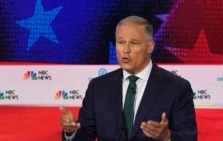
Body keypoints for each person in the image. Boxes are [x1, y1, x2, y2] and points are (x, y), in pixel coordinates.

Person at [60, 15, 197, 141]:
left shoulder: (176, 88)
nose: (125, 50)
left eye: (134, 43)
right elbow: (85, 136)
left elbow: (189, 137)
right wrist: (71, 132)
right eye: (121, 42)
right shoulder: (98, 87)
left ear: (150, 47)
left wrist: (167, 137)